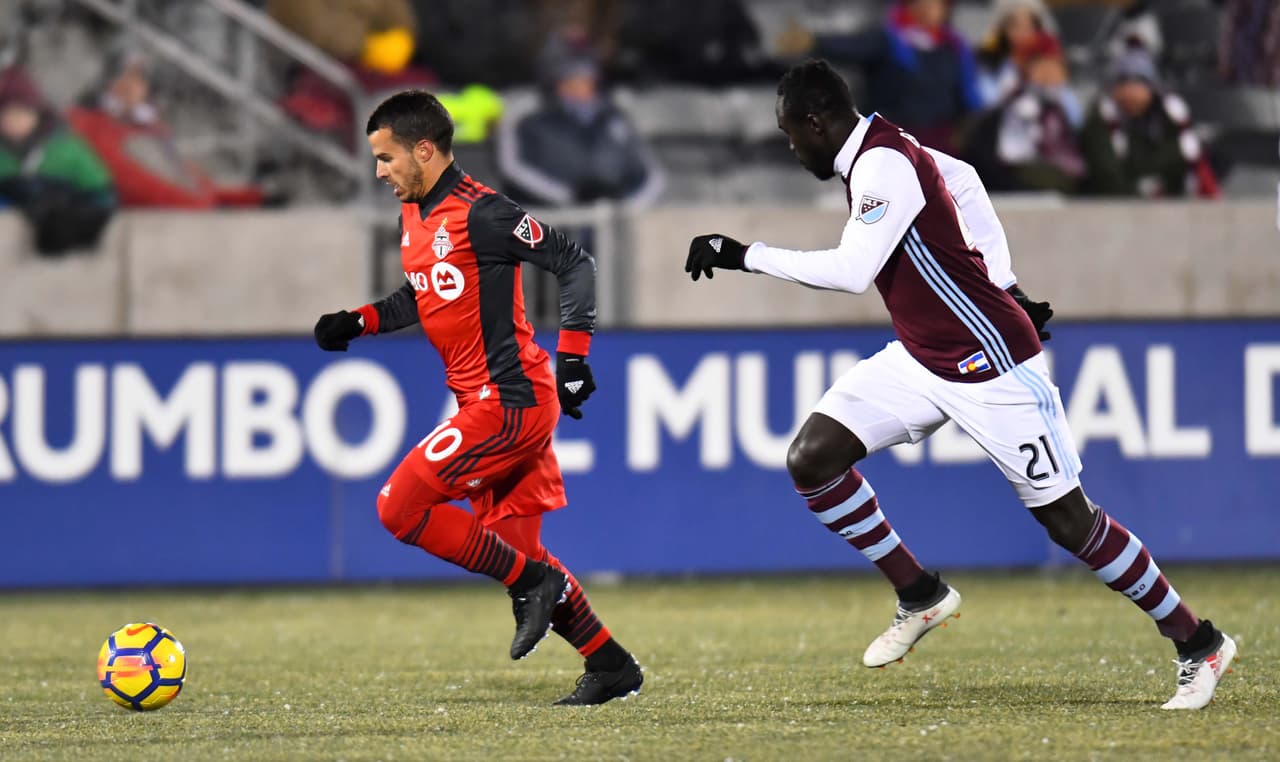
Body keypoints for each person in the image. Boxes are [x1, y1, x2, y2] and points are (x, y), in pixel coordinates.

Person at [683, 60, 1234, 710]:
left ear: (816, 121)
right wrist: (1003, 282)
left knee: (1068, 522)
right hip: (922, 356)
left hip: (991, 362)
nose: (791, 146)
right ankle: (920, 595)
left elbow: (854, 270)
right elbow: (964, 182)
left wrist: (742, 253)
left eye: (790, 133)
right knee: (813, 459)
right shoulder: (883, 148)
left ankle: (1199, 641)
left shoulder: (883, 164)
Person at [312, 90, 642, 706]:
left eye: (386, 158)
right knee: (516, 556)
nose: (379, 171)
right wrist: (359, 322)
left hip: (509, 402)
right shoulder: (414, 214)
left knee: (398, 508)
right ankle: (610, 663)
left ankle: (537, 583)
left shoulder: (483, 212)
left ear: (425, 149)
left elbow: (575, 263)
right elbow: (426, 293)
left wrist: (574, 356)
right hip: (482, 404)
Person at [785, 0, 982, 150]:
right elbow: (853, 46)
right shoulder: (889, 40)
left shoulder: (955, 48)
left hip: (938, 139)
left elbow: (969, 98)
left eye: (936, 4)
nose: (929, 9)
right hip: (891, 137)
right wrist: (813, 42)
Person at [495, 33, 662, 207]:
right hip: (546, 222)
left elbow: (648, 172)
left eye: (586, 81)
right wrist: (571, 198)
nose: (580, 89)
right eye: (571, 82)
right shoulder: (527, 117)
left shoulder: (613, 116)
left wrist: (625, 204)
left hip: (611, 223)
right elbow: (512, 168)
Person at [0, 66, 115, 255]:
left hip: (68, 232)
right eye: (4, 115)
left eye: (19, 113)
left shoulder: (66, 148)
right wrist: (11, 209)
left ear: (36, 113)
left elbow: (103, 194)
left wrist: (69, 208)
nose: (12, 122)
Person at [1079, 49, 1219, 198]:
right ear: (1114, 88)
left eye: (1139, 82)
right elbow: (1108, 175)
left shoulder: (1167, 116)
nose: (1131, 90)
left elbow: (1182, 159)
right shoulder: (1100, 120)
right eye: (1124, 82)